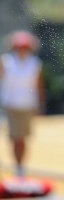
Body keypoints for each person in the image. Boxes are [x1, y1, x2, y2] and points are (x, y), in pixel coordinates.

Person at [0, 31, 45, 177]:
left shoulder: (35, 64)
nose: (22, 51)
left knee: (23, 138)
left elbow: (39, 86)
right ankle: (18, 164)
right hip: (12, 105)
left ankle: (20, 165)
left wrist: (39, 105)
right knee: (15, 138)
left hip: (27, 105)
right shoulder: (6, 62)